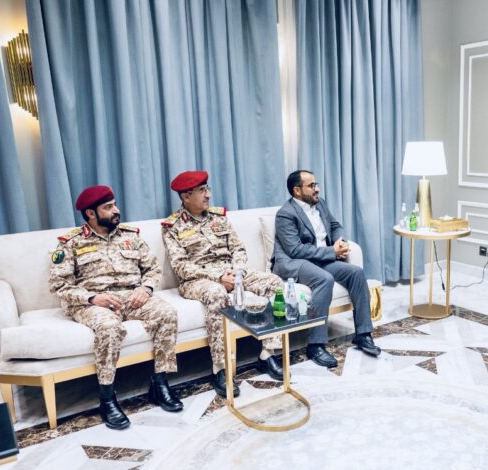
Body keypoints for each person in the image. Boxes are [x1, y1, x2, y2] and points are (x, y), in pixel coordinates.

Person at [49, 186, 182, 430]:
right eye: (108, 207)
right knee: (109, 327)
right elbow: (59, 285)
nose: (116, 210)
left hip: (132, 296)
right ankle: (107, 398)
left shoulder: (131, 236)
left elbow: (152, 269)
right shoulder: (71, 243)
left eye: (115, 204)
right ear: (91, 213)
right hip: (93, 302)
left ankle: (160, 384)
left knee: (166, 313)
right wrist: (92, 298)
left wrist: (146, 289)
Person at [162, 171, 284, 397]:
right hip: (198, 280)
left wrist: (236, 271)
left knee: (275, 284)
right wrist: (218, 277)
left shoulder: (219, 217)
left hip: (232, 272)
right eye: (202, 191)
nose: (208, 194)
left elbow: (238, 248)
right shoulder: (172, 226)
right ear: (186, 197)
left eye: (207, 189)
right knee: (217, 294)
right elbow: (181, 266)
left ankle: (268, 354)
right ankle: (221, 368)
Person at [272, 170, 380, 369]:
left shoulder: (319, 203)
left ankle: (363, 334)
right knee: (324, 279)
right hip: (294, 262)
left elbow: (335, 225)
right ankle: (315, 345)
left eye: (316, 184)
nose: (317, 189)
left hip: (321, 258)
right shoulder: (285, 214)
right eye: (311, 185)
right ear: (297, 190)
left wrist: (340, 241)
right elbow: (295, 249)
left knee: (356, 273)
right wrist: (332, 252)